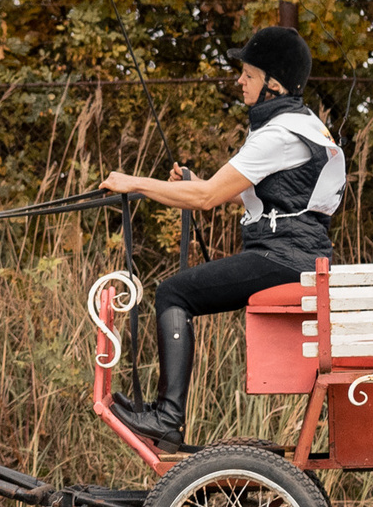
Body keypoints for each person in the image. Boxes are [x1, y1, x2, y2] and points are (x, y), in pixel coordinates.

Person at [99, 26, 346, 449]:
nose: (239, 81)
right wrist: (193, 183)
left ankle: (166, 418)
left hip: (282, 258)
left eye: (248, 74)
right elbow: (273, 199)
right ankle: (165, 417)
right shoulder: (306, 126)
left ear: (274, 84)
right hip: (301, 254)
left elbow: (208, 197)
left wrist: (133, 183)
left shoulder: (278, 135)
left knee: (174, 293)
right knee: (181, 291)